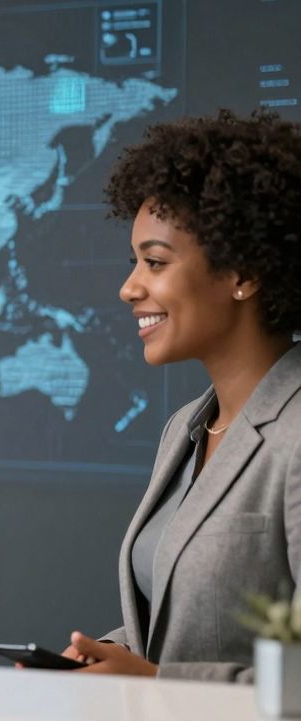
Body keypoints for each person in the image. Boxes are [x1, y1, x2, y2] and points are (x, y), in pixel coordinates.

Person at [58, 111, 301, 681]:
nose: (129, 287)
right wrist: (105, 654)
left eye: (155, 262)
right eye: (135, 263)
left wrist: (154, 683)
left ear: (243, 273)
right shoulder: (186, 428)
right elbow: (178, 625)